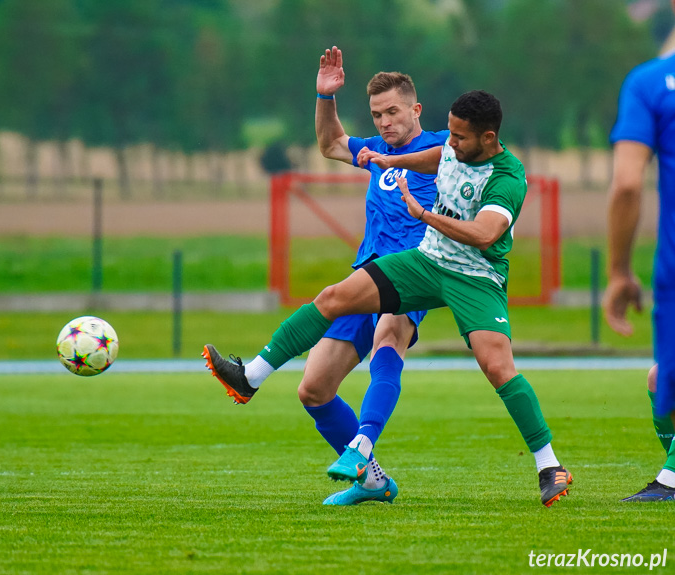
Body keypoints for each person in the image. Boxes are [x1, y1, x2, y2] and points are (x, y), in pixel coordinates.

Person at [205, 90, 572, 507]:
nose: (449, 143)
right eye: (448, 134)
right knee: (332, 299)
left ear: (488, 138)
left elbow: (486, 234)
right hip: (426, 261)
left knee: (496, 365)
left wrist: (424, 215)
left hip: (475, 276)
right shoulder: (449, 148)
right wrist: (392, 161)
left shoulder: (507, 178)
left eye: (459, 138)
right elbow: (435, 158)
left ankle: (549, 465)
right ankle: (251, 376)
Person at [205, 47, 446, 506]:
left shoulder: (438, 150)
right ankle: (373, 482)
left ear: (415, 109)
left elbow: (459, 158)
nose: (383, 122)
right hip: (367, 275)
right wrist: (325, 97)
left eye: (393, 111)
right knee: (313, 389)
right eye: (376, 115)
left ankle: (356, 440)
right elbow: (332, 144)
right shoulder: (376, 151)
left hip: (414, 273)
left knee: (389, 338)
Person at [605, 14, 675, 500]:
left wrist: (618, 270)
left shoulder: (651, 83)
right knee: (660, 378)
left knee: (663, 378)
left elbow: (628, 183)